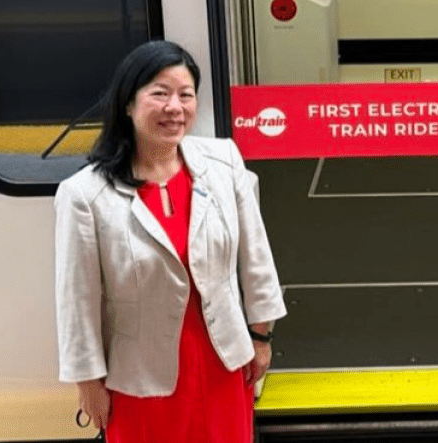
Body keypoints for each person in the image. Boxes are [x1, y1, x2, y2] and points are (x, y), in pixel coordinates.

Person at [55, 40, 286, 441]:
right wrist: (88, 383)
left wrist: (261, 336)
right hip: (142, 379)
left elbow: (256, 256)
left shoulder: (223, 162)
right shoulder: (85, 194)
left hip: (224, 365)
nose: (174, 108)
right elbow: (77, 298)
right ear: (128, 104)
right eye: (159, 94)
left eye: (186, 95)